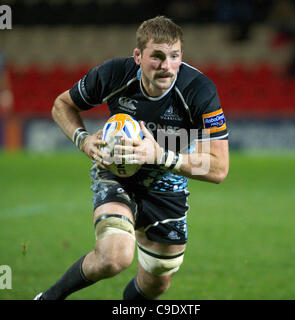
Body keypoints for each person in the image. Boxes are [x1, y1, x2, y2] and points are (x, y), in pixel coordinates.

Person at [34, 15, 229, 300]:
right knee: (114, 257)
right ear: (138, 56)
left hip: (168, 189)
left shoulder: (199, 91)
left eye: (174, 56)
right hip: (117, 175)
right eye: (157, 57)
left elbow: (219, 168)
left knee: (155, 283)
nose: (166, 66)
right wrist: (83, 139)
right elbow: (62, 104)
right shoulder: (114, 74)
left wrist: (160, 154)